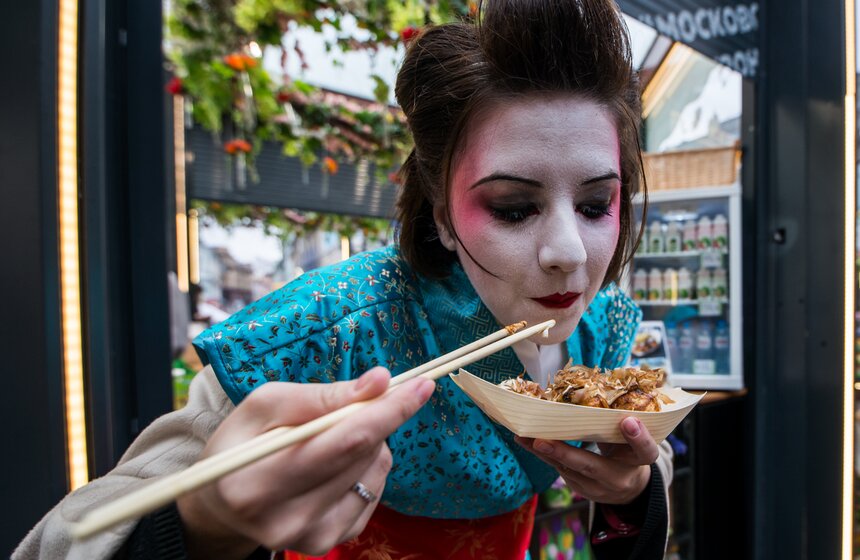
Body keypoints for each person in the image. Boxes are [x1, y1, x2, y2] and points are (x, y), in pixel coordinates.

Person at [16, 0, 672, 558]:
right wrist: (206, 521)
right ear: (443, 214)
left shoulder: (605, 324)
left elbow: (646, 465)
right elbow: (64, 538)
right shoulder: (337, 326)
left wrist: (636, 490)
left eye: (594, 206)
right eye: (511, 207)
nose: (569, 254)